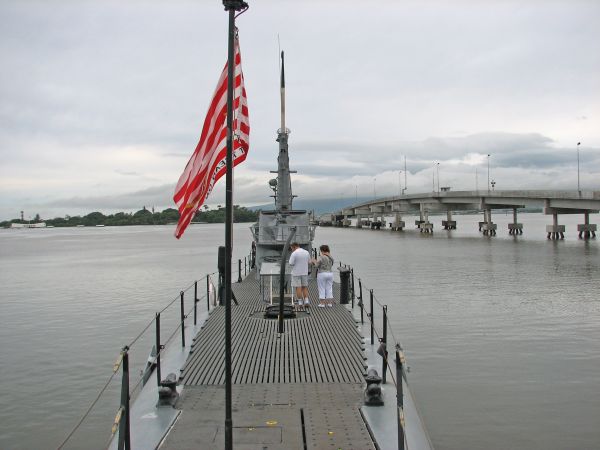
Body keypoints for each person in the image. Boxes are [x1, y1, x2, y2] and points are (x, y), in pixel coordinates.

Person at [289, 242, 310, 308]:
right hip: (304, 272)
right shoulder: (306, 252)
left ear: (293, 247)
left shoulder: (294, 253)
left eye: (291, 248)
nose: (291, 249)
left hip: (296, 273)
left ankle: (300, 303)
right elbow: (309, 262)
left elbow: (291, 263)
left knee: (298, 287)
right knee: (304, 287)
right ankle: (306, 301)